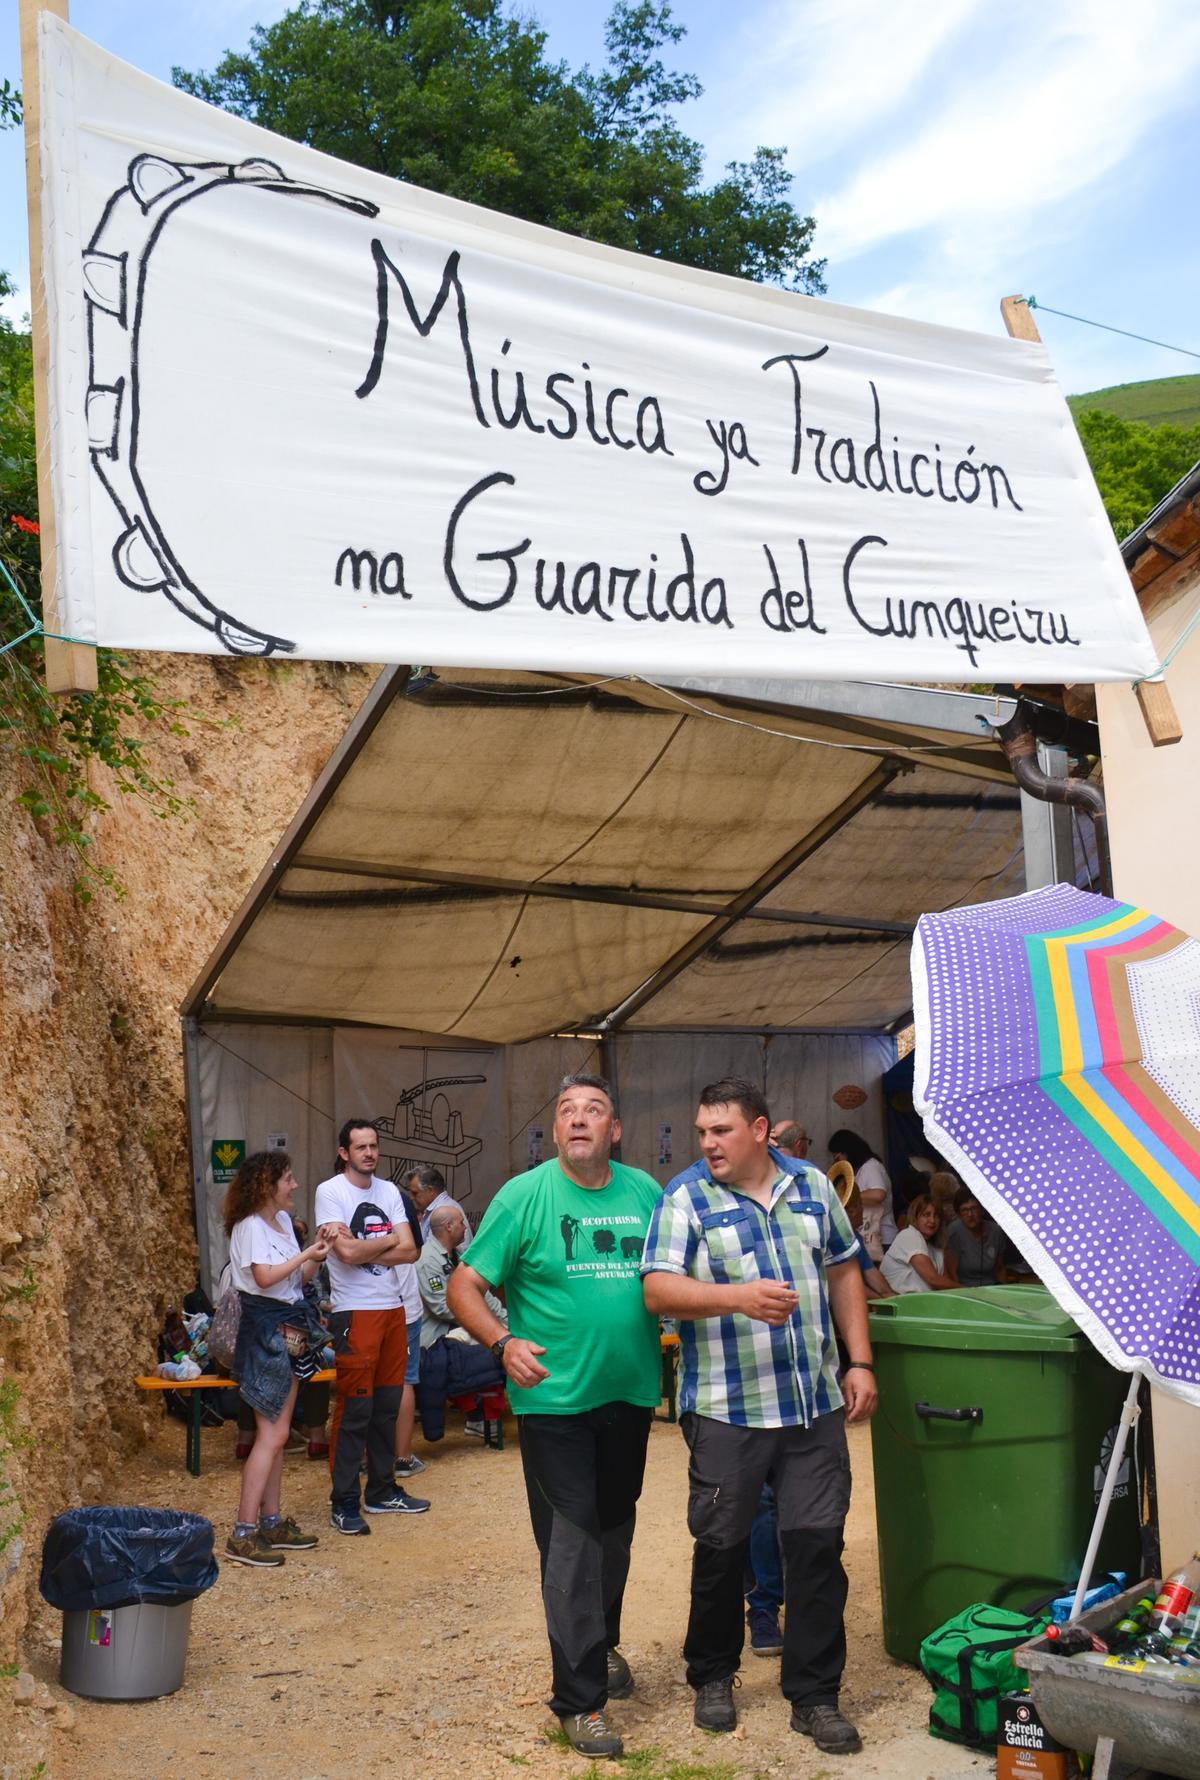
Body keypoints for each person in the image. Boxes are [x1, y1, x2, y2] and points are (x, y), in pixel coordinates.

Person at [642, 1078, 877, 1756]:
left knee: (816, 1546)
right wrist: (735, 1297)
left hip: (812, 1408)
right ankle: (713, 1674)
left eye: (721, 1131)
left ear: (760, 1130)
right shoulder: (685, 1196)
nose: (707, 1143)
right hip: (728, 1409)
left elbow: (843, 1272)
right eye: (702, 1132)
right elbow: (656, 1286)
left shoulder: (811, 1188)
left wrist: (859, 1361)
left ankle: (814, 1696)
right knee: (721, 1545)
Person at [446, 1074, 663, 1759]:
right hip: (553, 1404)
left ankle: (599, 1646)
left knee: (616, 1534)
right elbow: (465, 1284)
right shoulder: (524, 1197)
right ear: (556, 1129)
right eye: (567, 1111)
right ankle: (580, 1700)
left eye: (593, 1111)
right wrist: (502, 1341)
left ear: (615, 1129)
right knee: (571, 1544)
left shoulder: (646, 1194)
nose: (578, 1121)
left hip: (629, 1397)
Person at [314, 1119, 426, 1534]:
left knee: (386, 1406)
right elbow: (343, 1254)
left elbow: (412, 1250)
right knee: (354, 1408)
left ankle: (381, 1490)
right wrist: (384, 1243)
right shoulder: (330, 1191)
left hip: (393, 1308)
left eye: (374, 1146)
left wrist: (365, 1248)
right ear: (345, 1152)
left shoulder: (390, 1192)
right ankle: (344, 1501)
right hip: (354, 1311)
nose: (369, 1153)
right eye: (360, 1147)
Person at [223, 1150, 330, 1567]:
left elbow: (293, 1281)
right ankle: (243, 1533)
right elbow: (265, 1278)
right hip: (267, 1330)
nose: (295, 1186)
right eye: (288, 1178)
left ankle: (270, 1521)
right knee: (272, 1433)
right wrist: (306, 1255)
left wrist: (314, 1256)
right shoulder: (249, 1227)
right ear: (268, 1185)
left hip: (291, 1325)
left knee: (280, 1432)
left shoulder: (282, 1222)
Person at [828, 1129, 895, 1264]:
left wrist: (847, 1196)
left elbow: (878, 1194)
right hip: (872, 1237)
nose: (836, 1161)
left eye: (837, 1157)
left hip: (882, 1239)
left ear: (847, 1152)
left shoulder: (870, 1167)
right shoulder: (864, 1168)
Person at [880, 1195, 955, 1294]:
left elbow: (946, 1282)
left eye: (936, 1216)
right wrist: (969, 1291)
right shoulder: (909, 1235)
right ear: (915, 1217)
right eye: (926, 1215)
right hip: (899, 1302)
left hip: (923, 1303)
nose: (932, 1220)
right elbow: (934, 1280)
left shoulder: (936, 1250)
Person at [943, 1187, 1006, 1287]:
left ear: (982, 1210)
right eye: (964, 1210)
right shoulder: (954, 1231)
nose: (970, 1214)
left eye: (974, 1208)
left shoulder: (995, 1231)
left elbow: (1000, 1268)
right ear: (959, 1214)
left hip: (992, 1287)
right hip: (965, 1289)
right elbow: (952, 1274)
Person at [407, 1165, 473, 1247]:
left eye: (415, 1193)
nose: (411, 1197)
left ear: (430, 1190)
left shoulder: (445, 1210)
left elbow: (434, 1253)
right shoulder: (438, 1208)